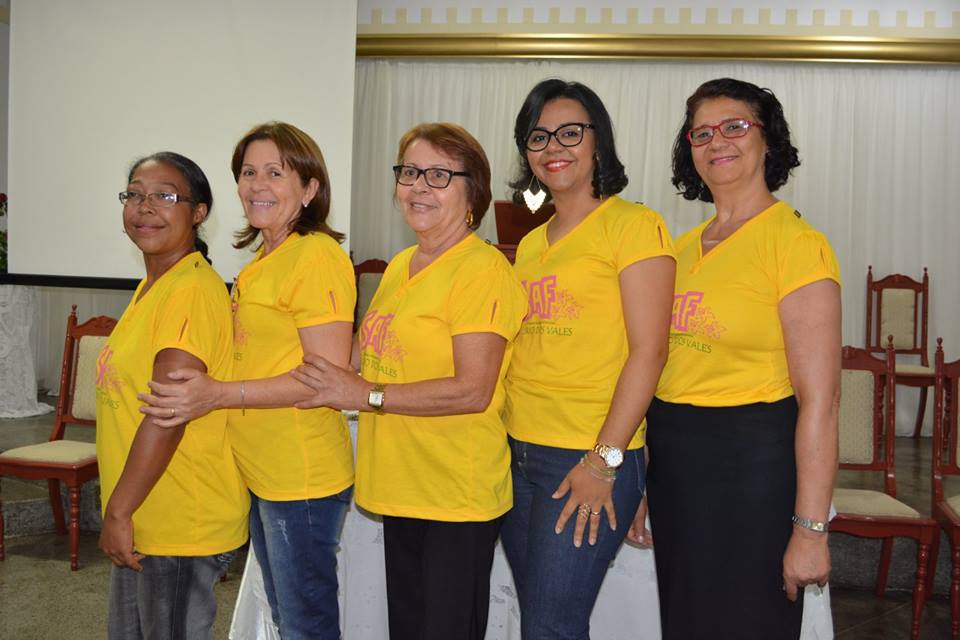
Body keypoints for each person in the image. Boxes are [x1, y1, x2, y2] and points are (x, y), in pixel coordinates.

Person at [288, 122, 526, 640]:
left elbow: (473, 390)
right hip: (400, 485)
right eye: (410, 172)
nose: (419, 186)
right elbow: (361, 356)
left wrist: (366, 395)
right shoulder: (401, 265)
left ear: (472, 193)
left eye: (439, 175)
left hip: (454, 494)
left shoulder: (482, 271)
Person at [629, 77, 841, 640]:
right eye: (701, 133)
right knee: (687, 621)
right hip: (675, 464)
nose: (716, 141)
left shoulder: (796, 245)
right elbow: (658, 372)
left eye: (735, 126)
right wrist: (641, 484)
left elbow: (821, 401)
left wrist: (811, 530)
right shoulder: (678, 251)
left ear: (768, 140)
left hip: (754, 467)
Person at [138, 122, 356, 639]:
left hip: (299, 476)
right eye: (248, 172)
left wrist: (219, 394)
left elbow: (323, 379)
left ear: (310, 188)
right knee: (285, 616)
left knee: (305, 624)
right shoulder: (264, 260)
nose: (257, 184)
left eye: (275, 173)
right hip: (263, 471)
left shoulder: (317, 256)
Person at [499, 79, 676, 639]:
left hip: (585, 454)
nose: (554, 147)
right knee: (542, 620)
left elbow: (650, 351)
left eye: (570, 133)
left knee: (551, 626)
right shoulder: (532, 244)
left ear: (599, 141)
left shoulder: (635, 226)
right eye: (538, 136)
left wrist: (605, 460)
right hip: (515, 451)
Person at [97, 151, 249, 639]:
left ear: (198, 212)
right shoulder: (155, 285)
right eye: (135, 195)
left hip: (181, 518)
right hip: (149, 511)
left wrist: (118, 511)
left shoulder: (190, 290)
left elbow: (168, 412)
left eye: (164, 196)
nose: (145, 207)